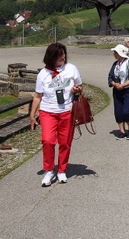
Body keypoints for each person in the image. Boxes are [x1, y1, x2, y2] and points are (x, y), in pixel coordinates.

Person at [30, 42, 83, 186]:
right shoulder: (43, 74)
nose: (63, 57)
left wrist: (76, 90)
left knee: (65, 142)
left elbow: (80, 86)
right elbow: (37, 96)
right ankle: (49, 170)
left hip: (67, 111)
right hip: (48, 112)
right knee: (48, 141)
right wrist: (32, 114)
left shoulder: (71, 69)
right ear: (51, 57)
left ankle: (61, 170)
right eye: (59, 55)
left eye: (63, 54)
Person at [108, 43, 129, 140]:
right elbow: (110, 77)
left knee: (126, 111)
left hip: (128, 91)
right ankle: (122, 131)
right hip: (117, 91)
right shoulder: (115, 64)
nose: (114, 54)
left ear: (120, 53)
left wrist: (123, 85)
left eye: (115, 52)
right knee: (118, 112)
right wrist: (114, 84)